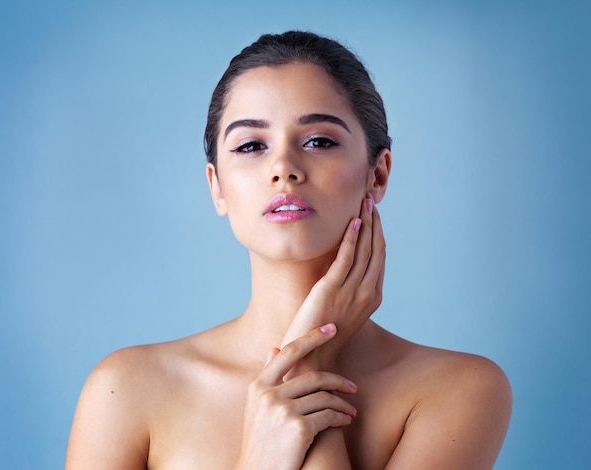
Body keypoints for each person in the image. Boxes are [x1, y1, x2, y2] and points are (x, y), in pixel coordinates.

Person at [66, 31, 512, 469]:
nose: (283, 168)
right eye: (251, 146)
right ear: (216, 187)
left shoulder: (460, 389)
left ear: (377, 175)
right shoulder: (126, 391)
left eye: (318, 141)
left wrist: (309, 366)